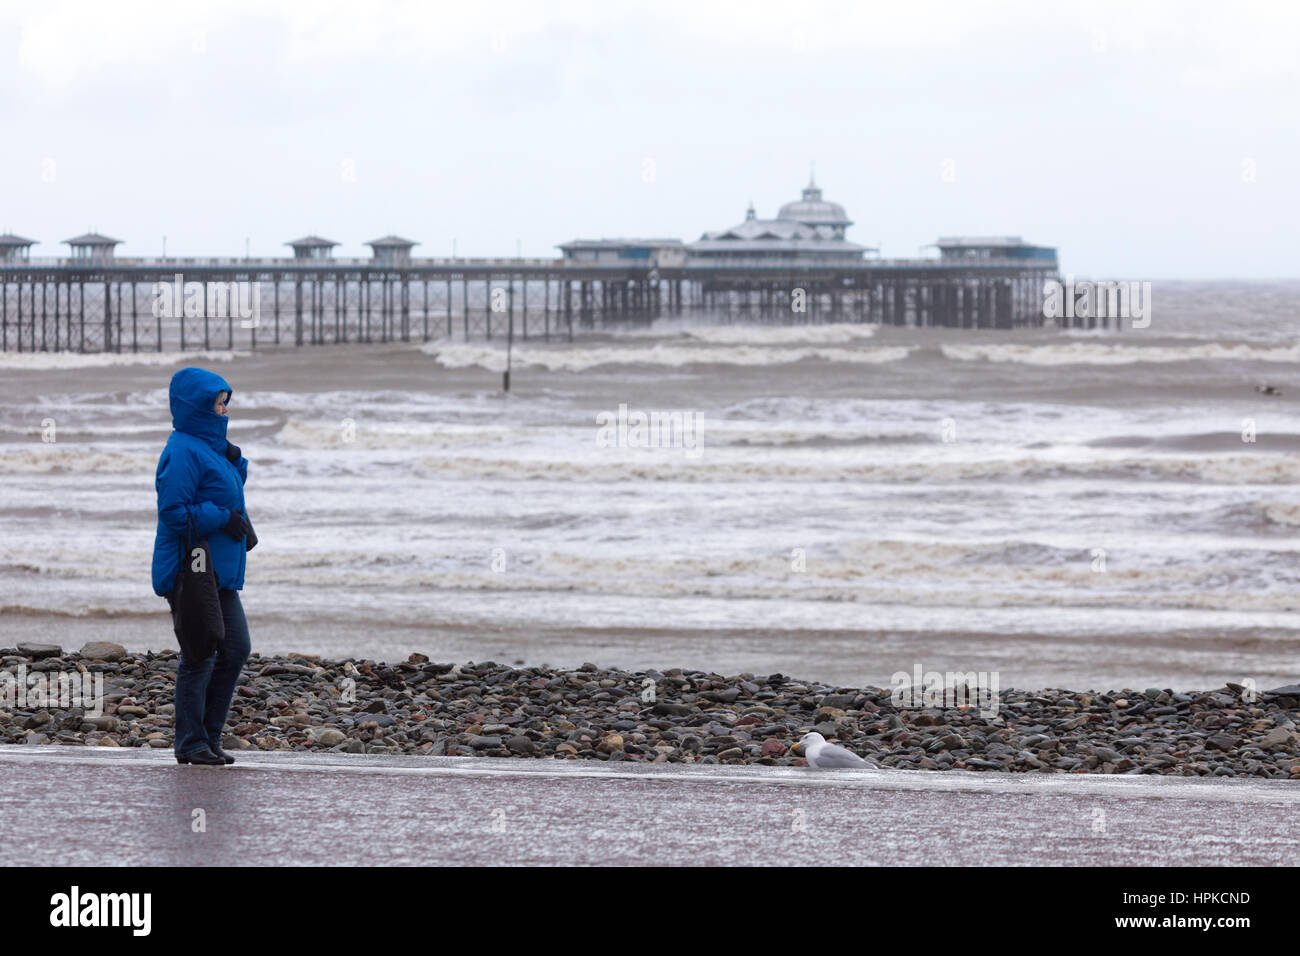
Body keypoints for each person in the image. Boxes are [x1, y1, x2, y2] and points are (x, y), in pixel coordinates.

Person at [151, 367, 255, 766]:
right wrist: (222, 518)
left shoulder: (208, 445)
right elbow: (173, 513)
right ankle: (191, 744)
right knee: (201, 652)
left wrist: (235, 459)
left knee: (236, 648)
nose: (225, 408)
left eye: (226, 401)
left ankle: (208, 739)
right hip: (191, 568)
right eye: (218, 402)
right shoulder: (181, 451)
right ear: (199, 406)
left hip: (216, 571)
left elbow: (225, 485)